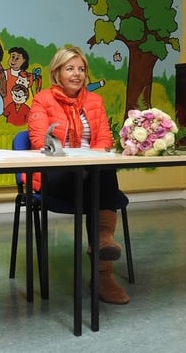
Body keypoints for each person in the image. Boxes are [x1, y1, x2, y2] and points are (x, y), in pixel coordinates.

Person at [27, 46, 130, 305]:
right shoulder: (42, 99)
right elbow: (41, 141)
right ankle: (102, 256)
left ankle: (103, 264)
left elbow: (105, 138)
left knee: (103, 169)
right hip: (56, 174)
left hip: (92, 173)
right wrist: (78, 164)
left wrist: (89, 163)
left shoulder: (95, 101)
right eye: (70, 68)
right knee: (100, 176)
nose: (77, 74)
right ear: (57, 73)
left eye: (81, 69)